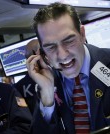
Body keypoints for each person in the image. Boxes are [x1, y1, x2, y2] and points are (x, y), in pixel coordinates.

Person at [26, 2, 110, 134]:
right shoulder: (47, 81)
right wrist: (47, 95)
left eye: (69, 40)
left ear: (82, 34)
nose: (62, 55)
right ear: (42, 52)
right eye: (50, 47)